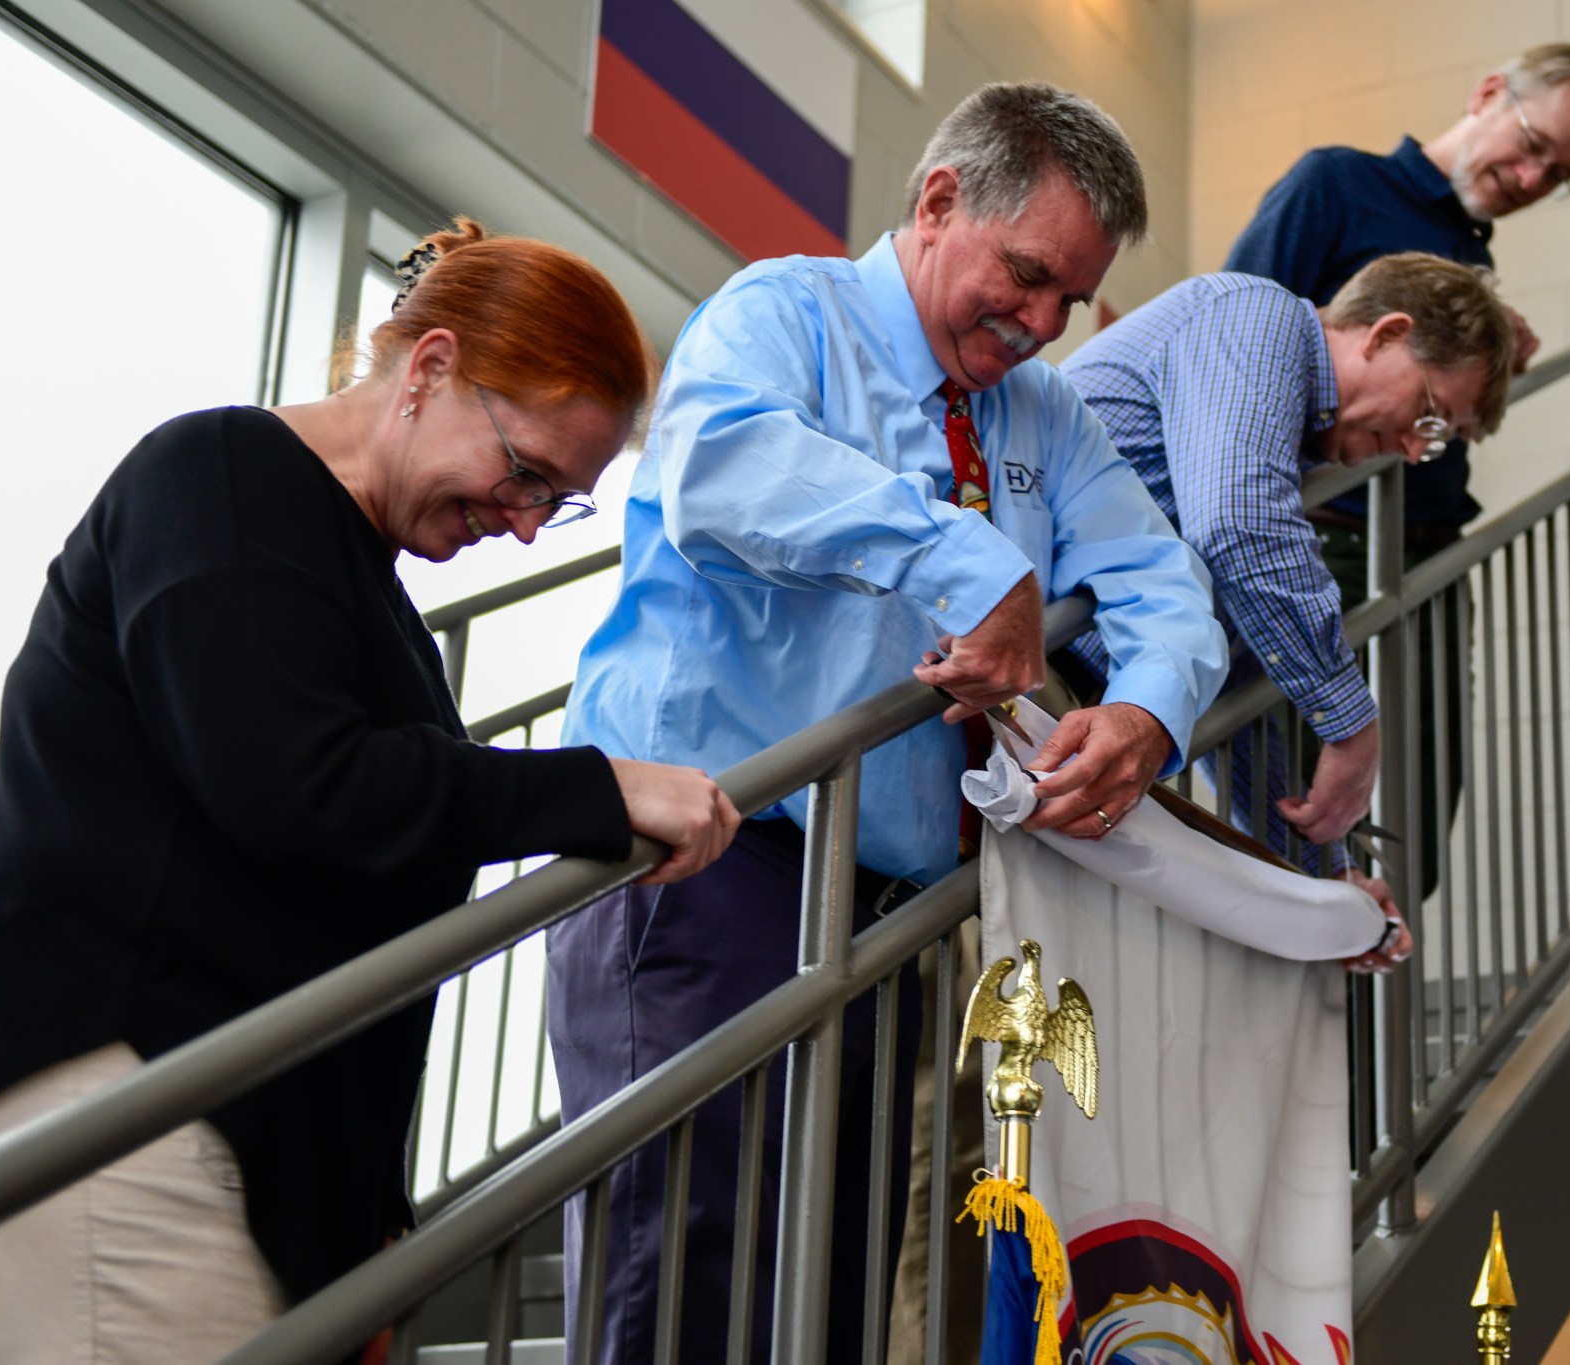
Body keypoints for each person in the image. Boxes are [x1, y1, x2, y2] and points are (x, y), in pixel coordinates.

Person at [548, 81, 1227, 1365]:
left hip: (887, 909)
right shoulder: (779, 315)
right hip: (710, 866)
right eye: (1024, 276)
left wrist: (1144, 713)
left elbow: (1158, 586)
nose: (1039, 323)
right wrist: (977, 566)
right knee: (688, 1281)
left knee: (832, 1297)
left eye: (1068, 301)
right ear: (935, 203)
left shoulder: (1044, 413)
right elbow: (718, 471)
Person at [0, 220, 740, 1365]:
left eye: (563, 502)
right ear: (430, 369)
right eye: (527, 471)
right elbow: (298, 787)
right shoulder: (222, 477)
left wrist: (364, 1225)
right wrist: (596, 785)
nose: (529, 524)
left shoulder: (369, 591)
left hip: (260, 1139)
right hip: (138, 1105)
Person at [1224, 42, 1570, 895]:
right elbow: (1232, 344)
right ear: (1487, 93)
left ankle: (1374, 1018)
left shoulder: (1467, 250)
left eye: (1559, 174)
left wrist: (1488, 362)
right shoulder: (1333, 184)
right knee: (1301, 826)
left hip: (1432, 554)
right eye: (1534, 144)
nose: (1531, 177)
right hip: (1328, 546)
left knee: (1413, 841)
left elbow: (1428, 423)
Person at [1062, 252, 1512, 920]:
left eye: (1439, 441)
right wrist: (1352, 723)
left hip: (1060, 688)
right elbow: (1238, 523)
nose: (1417, 452)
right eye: (1431, 414)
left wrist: (1328, 879)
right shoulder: (1254, 316)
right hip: (1006, 662)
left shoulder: (1273, 436)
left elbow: (1231, 677)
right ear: (1386, 333)